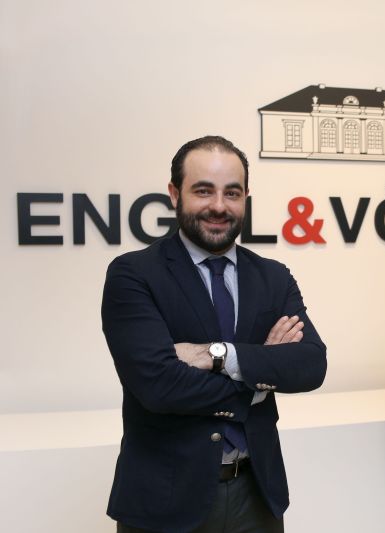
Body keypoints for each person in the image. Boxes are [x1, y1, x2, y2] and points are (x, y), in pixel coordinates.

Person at [102, 135, 326, 532]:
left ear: (246, 198)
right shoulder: (134, 274)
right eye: (203, 191)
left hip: (257, 497)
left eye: (232, 193)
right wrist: (257, 381)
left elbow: (310, 365)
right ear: (175, 193)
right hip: (165, 503)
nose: (219, 206)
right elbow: (158, 386)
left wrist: (218, 355)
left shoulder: (273, 277)